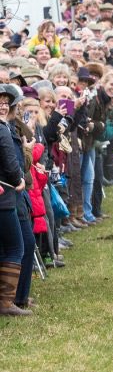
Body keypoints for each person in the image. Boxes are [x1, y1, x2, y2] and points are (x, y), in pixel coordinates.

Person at [0, 84, 30, 316]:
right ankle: (7, 302)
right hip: (6, 195)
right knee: (15, 247)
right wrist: (18, 178)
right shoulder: (2, 129)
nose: (2, 106)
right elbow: (11, 163)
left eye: (4, 102)